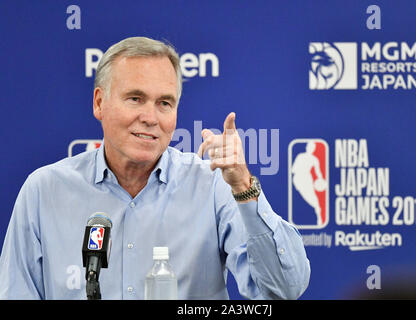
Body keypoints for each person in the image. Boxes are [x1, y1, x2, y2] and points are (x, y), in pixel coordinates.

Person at [0, 37, 310, 299]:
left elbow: (284, 290)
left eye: (165, 103)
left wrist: (244, 186)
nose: (151, 117)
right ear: (99, 103)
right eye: (135, 98)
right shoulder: (45, 191)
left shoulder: (212, 185)